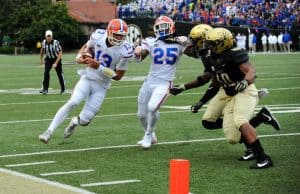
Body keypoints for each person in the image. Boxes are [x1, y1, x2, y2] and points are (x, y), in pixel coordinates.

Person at [171, 27, 276, 169]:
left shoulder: (235, 54)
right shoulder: (209, 56)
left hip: (243, 90)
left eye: (211, 44)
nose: (207, 46)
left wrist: (244, 82)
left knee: (240, 121)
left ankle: (263, 158)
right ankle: (259, 119)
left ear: (222, 44)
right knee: (231, 136)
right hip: (226, 91)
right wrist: (201, 101)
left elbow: (251, 72)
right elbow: (214, 83)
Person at [38, 19, 133, 143]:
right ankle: (49, 131)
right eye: (117, 34)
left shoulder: (125, 50)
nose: (119, 38)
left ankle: (75, 121)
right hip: (88, 78)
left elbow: (118, 76)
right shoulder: (98, 36)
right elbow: (87, 47)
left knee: (85, 121)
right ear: (109, 32)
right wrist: (80, 57)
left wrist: (99, 67)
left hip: (102, 86)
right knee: (73, 102)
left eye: (122, 35)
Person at [134, 16, 189, 149]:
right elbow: (142, 55)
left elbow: (194, 51)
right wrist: (138, 52)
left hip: (164, 83)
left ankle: (148, 133)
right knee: (141, 115)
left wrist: (187, 41)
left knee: (152, 107)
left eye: (165, 27)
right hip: (149, 81)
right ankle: (151, 136)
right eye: (160, 28)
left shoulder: (178, 43)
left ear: (172, 28)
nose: (163, 30)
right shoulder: (152, 41)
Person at [39, 30, 65, 94]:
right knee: (46, 72)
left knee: (59, 74)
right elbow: (42, 50)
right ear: (45, 36)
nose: (48, 37)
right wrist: (41, 59)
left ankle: (63, 89)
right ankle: (45, 89)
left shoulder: (56, 42)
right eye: (47, 36)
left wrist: (56, 63)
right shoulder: (44, 42)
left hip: (57, 59)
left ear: (52, 36)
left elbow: (60, 53)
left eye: (50, 36)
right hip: (48, 59)